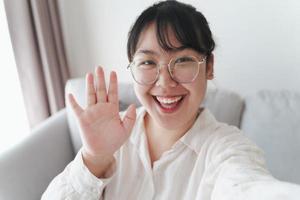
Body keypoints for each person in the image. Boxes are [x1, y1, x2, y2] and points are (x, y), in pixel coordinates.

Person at [42, 1, 300, 199]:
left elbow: (250, 188)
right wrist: (93, 158)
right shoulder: (111, 136)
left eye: (183, 61)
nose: (165, 82)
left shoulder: (227, 149)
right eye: (148, 62)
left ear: (209, 66)